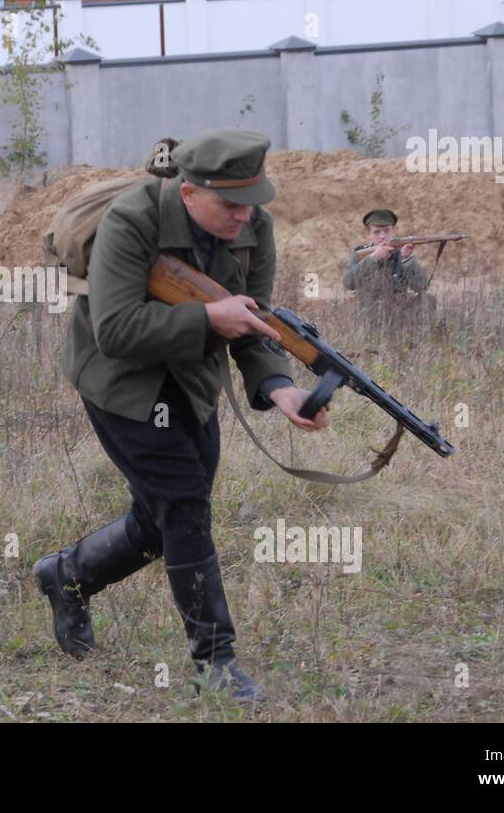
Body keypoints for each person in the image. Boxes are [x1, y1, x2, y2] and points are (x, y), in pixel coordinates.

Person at [34, 128, 332, 701]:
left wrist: (279, 387)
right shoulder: (133, 220)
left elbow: (255, 324)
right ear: (191, 192)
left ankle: (67, 576)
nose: (246, 216)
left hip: (190, 383)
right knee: (186, 507)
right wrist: (208, 321)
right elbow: (116, 330)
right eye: (232, 203)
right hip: (119, 381)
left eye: (254, 201)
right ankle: (216, 664)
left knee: (163, 521)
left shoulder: (252, 230)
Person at [341, 209, 433, 315]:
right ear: (368, 234)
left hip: (399, 311)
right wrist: (373, 258)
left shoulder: (401, 254)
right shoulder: (361, 254)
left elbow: (422, 287)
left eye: (387, 231)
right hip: (369, 312)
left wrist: (406, 259)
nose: (382, 236)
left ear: (394, 231)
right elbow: (348, 283)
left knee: (427, 300)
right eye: (377, 232)